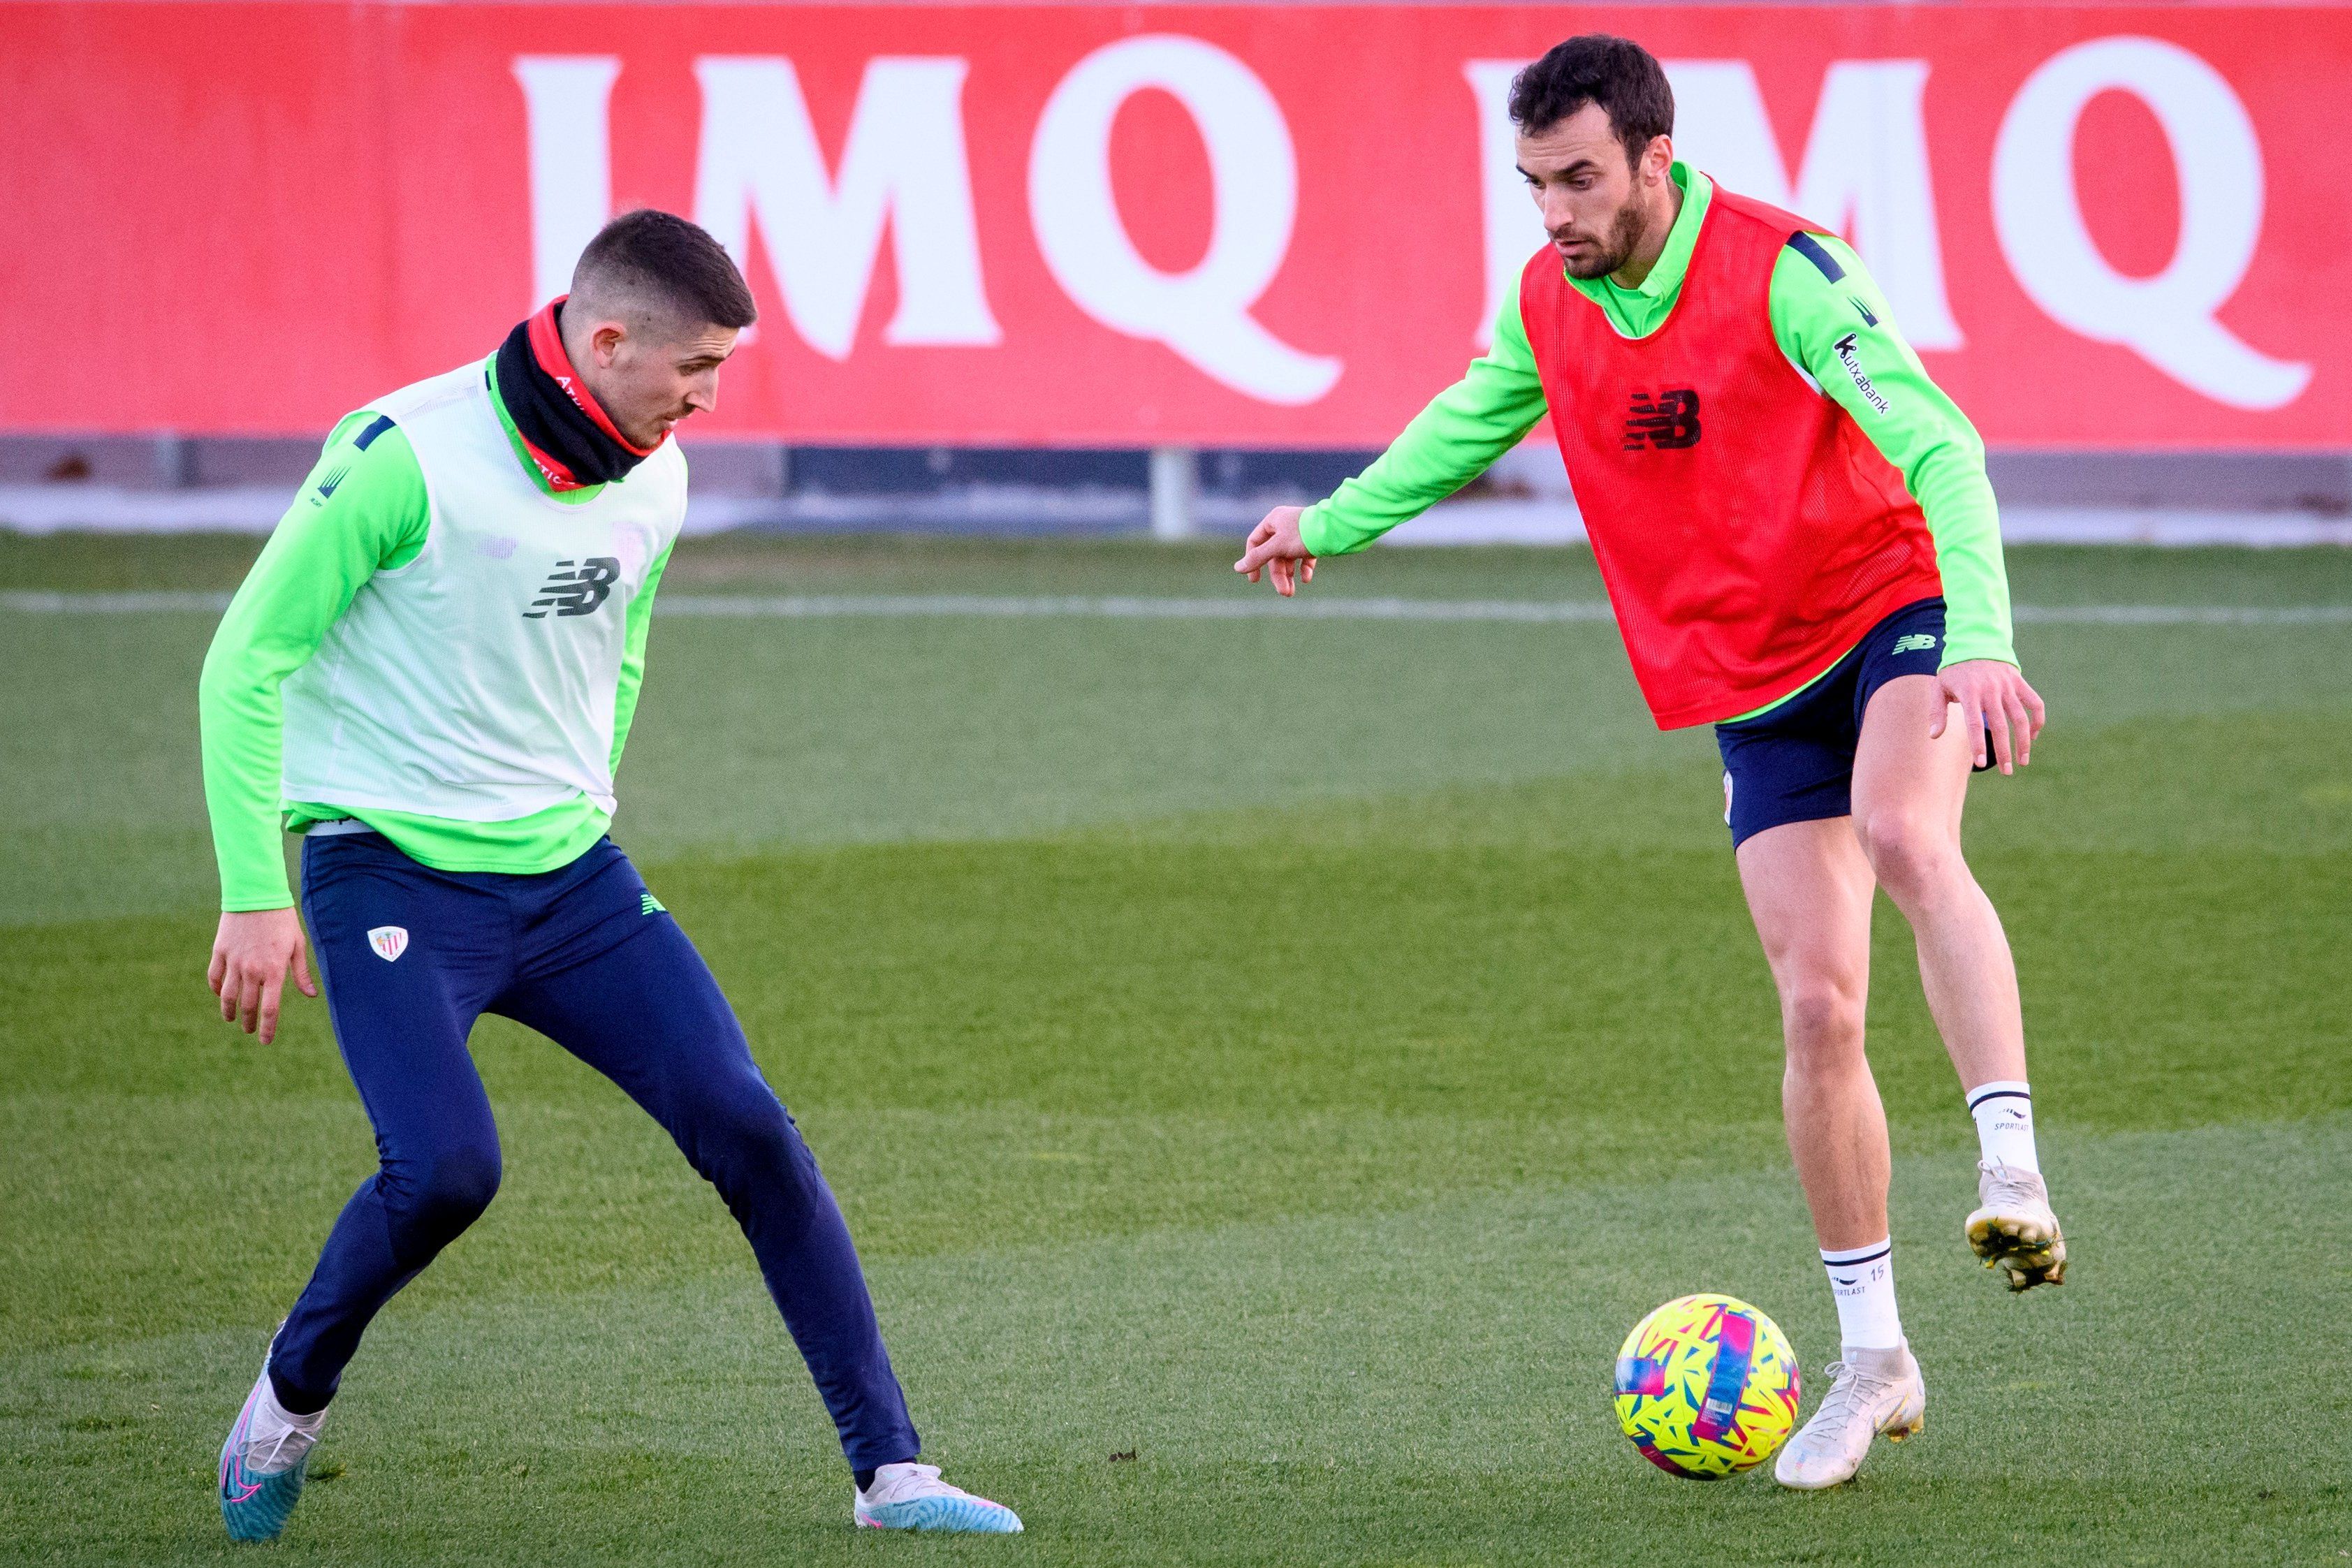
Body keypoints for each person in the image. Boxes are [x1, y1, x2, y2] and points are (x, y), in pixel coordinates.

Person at [1234, 34, 2064, 1490]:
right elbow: (1469, 418)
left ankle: (2010, 1170)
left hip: (1893, 602)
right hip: (1752, 673)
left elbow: (1941, 445)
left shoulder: (1785, 271)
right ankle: (1873, 1360)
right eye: (1532, 183)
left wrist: (1981, 641)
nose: (1552, 212)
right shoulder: (1550, 301)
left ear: (1653, 162)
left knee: (1906, 832)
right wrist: (1333, 520)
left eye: (1578, 179)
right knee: (1815, 1008)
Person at [200, 210, 1021, 1539]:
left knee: (749, 1126)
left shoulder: (660, 473)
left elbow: (616, 646)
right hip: (390, 878)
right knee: (448, 1171)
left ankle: (894, 1476)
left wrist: (584, 796)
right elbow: (244, 662)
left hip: (575, 883)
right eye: (695, 366)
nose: (710, 397)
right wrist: (254, 887)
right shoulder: (403, 456)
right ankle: (283, 1407)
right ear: (608, 337)